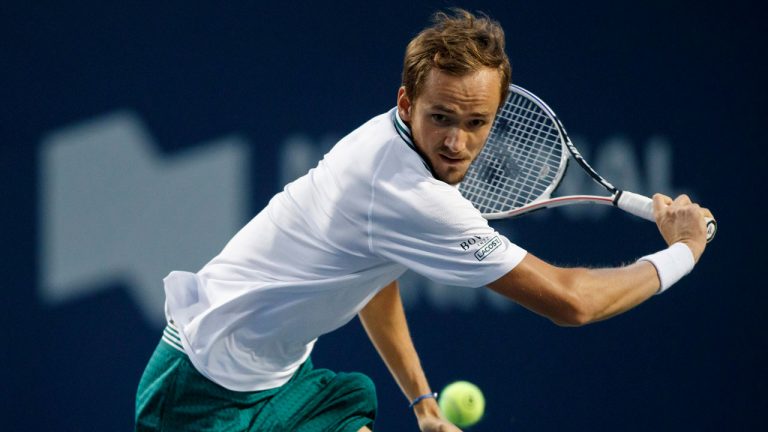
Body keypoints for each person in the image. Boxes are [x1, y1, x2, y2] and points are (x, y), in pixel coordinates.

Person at [135, 8, 712, 432]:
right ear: (406, 103)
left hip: (272, 380)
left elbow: (373, 276)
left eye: (477, 122)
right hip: (199, 395)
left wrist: (422, 402)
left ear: (496, 116)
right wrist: (683, 251)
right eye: (440, 117)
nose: (457, 142)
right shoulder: (408, 193)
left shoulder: (389, 148)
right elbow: (572, 302)